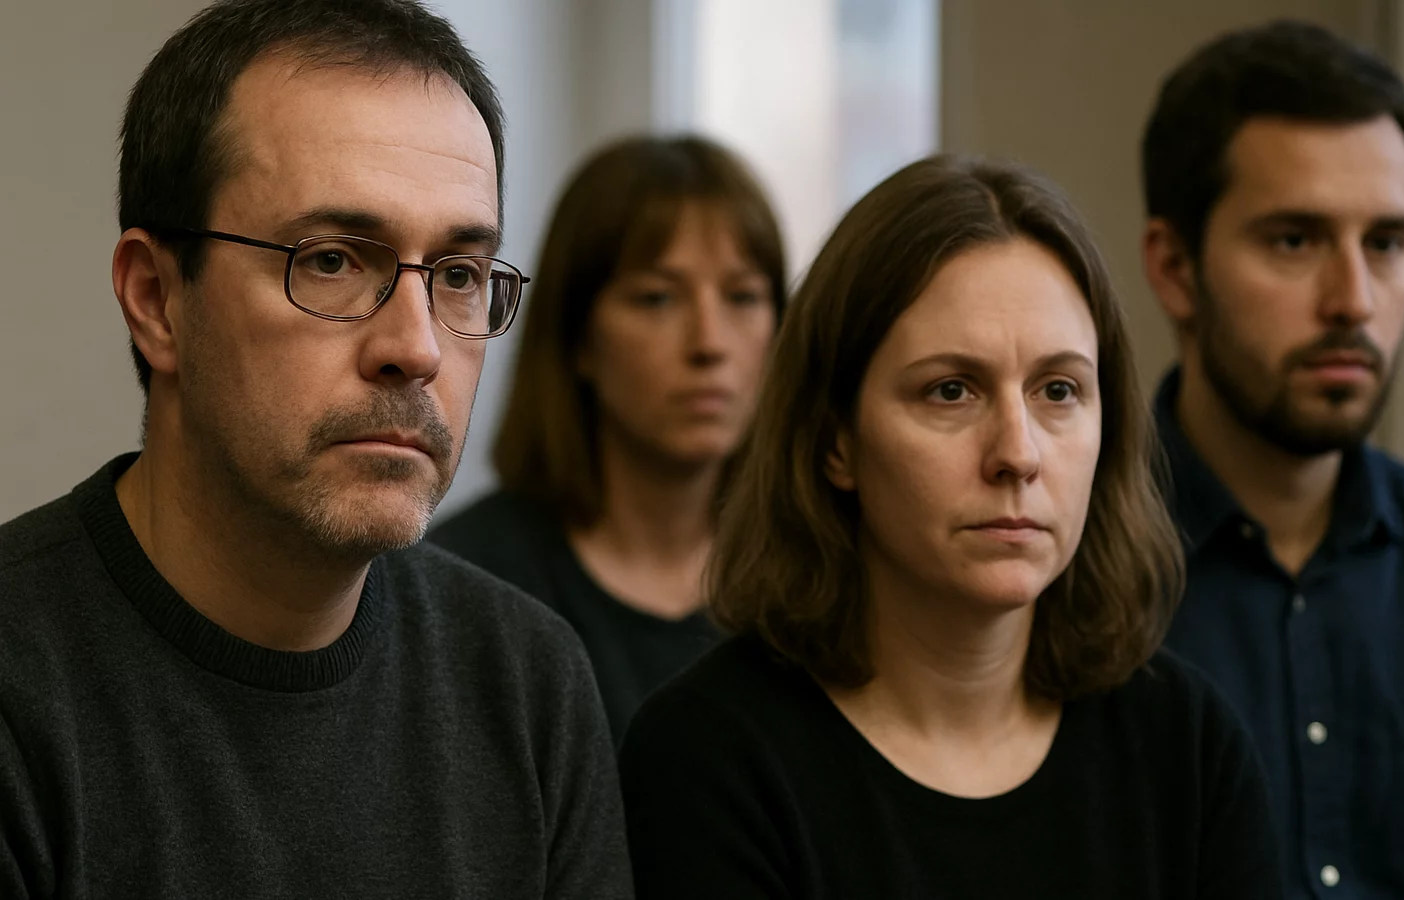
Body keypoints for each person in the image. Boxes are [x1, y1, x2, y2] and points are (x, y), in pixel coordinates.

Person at [0, 1, 631, 896]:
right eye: (332, 259)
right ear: (156, 300)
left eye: (458, 274)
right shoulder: (23, 690)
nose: (416, 348)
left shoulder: (527, 682)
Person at [619, 155, 1282, 899]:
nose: (1018, 454)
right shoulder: (707, 758)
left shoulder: (1188, 747)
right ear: (837, 441)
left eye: (1058, 390)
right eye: (951, 391)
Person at [1140, 20, 1404, 898]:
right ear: (1173, 268)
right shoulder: (1073, 556)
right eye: (1295, 240)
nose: (1354, 300)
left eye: (1386, 243)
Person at [430, 135, 785, 741]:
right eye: (657, 298)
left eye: (743, 296)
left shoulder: (811, 578)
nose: (710, 343)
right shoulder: (463, 585)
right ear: (579, 338)